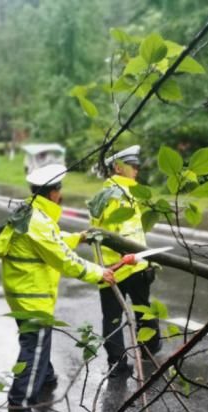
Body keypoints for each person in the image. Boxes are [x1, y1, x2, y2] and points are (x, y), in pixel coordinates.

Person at [0, 163, 114, 412]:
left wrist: (78, 237)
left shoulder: (29, 211)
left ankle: (45, 376)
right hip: (31, 294)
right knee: (34, 345)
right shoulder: (38, 221)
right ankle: (20, 402)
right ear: (52, 192)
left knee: (36, 343)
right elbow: (62, 258)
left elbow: (54, 240)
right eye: (59, 190)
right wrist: (99, 273)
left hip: (20, 291)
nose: (61, 195)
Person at [87, 145, 162, 380]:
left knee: (114, 317)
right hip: (126, 266)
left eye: (138, 165)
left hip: (115, 268)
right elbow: (120, 235)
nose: (137, 170)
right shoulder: (120, 196)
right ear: (118, 167)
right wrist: (138, 259)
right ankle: (147, 350)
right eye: (133, 166)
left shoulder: (104, 196)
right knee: (137, 311)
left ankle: (118, 362)